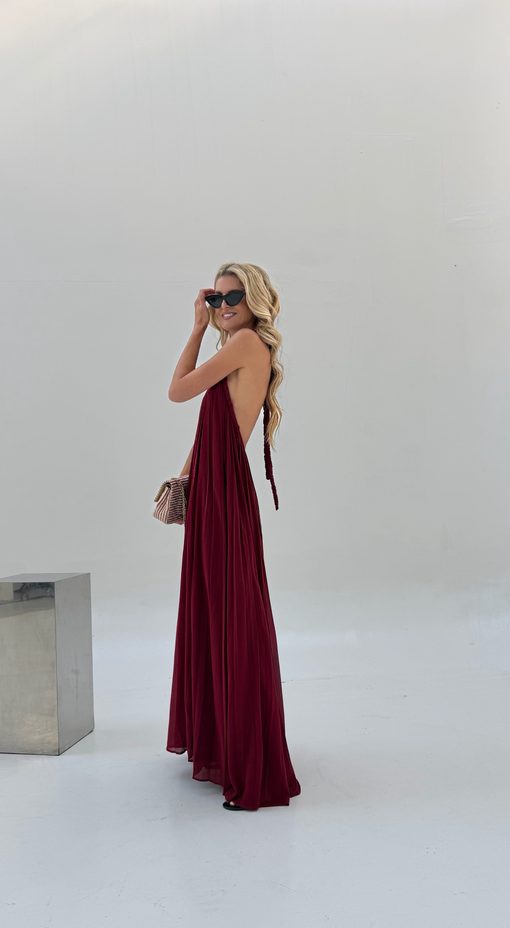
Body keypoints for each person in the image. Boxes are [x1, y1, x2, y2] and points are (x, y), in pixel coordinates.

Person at [165, 262, 302, 811]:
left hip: (224, 495)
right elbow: (211, 433)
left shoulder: (245, 343)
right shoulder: (244, 349)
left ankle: (249, 763)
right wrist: (184, 482)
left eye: (233, 296)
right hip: (216, 491)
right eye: (215, 298)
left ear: (255, 298)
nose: (223, 305)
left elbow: (177, 391)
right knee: (220, 613)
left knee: (231, 617)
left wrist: (197, 327)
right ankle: (226, 744)